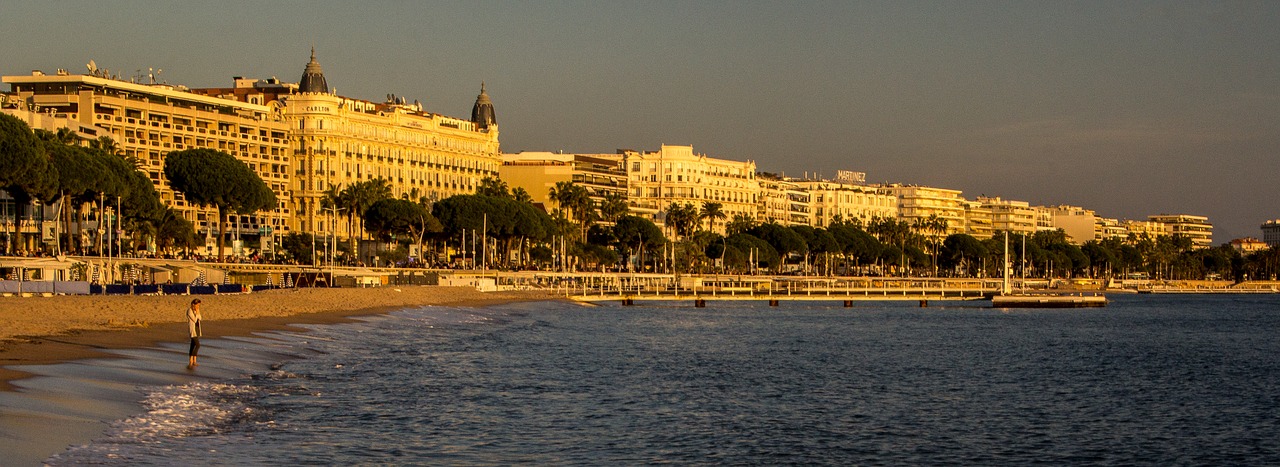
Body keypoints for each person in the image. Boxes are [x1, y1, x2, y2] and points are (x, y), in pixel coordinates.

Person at [187, 299, 202, 368]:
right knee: (198, 345)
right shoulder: (189, 311)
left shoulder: (196, 311)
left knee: (192, 345)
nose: (198, 306)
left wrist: (197, 313)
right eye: (197, 305)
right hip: (192, 330)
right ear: (194, 304)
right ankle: (192, 360)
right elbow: (195, 319)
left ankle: (192, 361)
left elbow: (200, 318)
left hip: (197, 329)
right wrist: (197, 313)